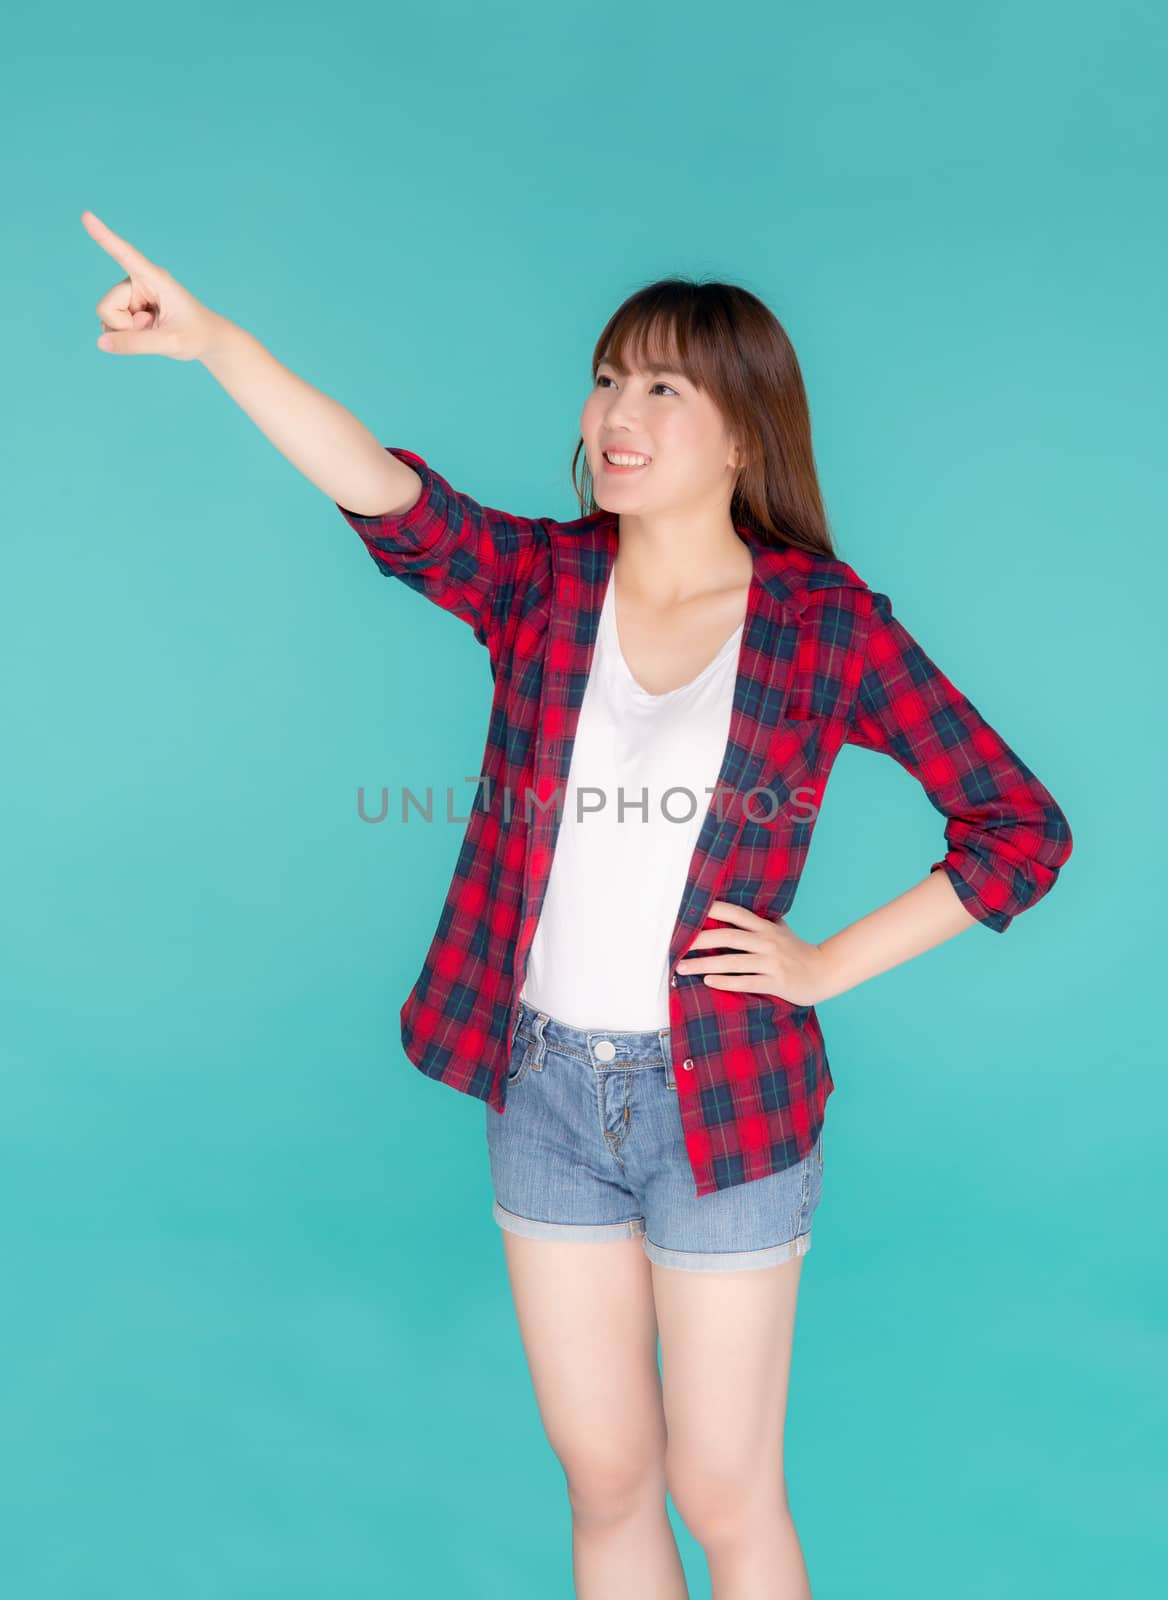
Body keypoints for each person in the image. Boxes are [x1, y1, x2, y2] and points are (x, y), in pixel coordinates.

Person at [84, 210, 1073, 1600]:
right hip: (541, 1085)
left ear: (745, 434)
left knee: (723, 1493)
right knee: (608, 1483)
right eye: (609, 376)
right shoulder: (546, 587)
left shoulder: (822, 623)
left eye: (665, 386)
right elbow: (389, 500)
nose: (619, 410)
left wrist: (828, 964)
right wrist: (217, 347)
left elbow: (1018, 826)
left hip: (721, 1096)